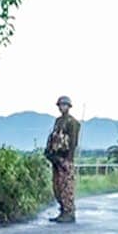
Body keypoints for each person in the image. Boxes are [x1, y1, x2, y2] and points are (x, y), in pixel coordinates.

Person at [44, 95, 80, 223]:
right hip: (56, 157)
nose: (62, 107)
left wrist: (68, 160)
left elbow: (73, 142)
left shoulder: (72, 122)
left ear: (69, 107)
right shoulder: (58, 121)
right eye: (60, 105)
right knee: (57, 186)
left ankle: (69, 212)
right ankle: (63, 210)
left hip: (66, 158)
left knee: (67, 186)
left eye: (64, 105)